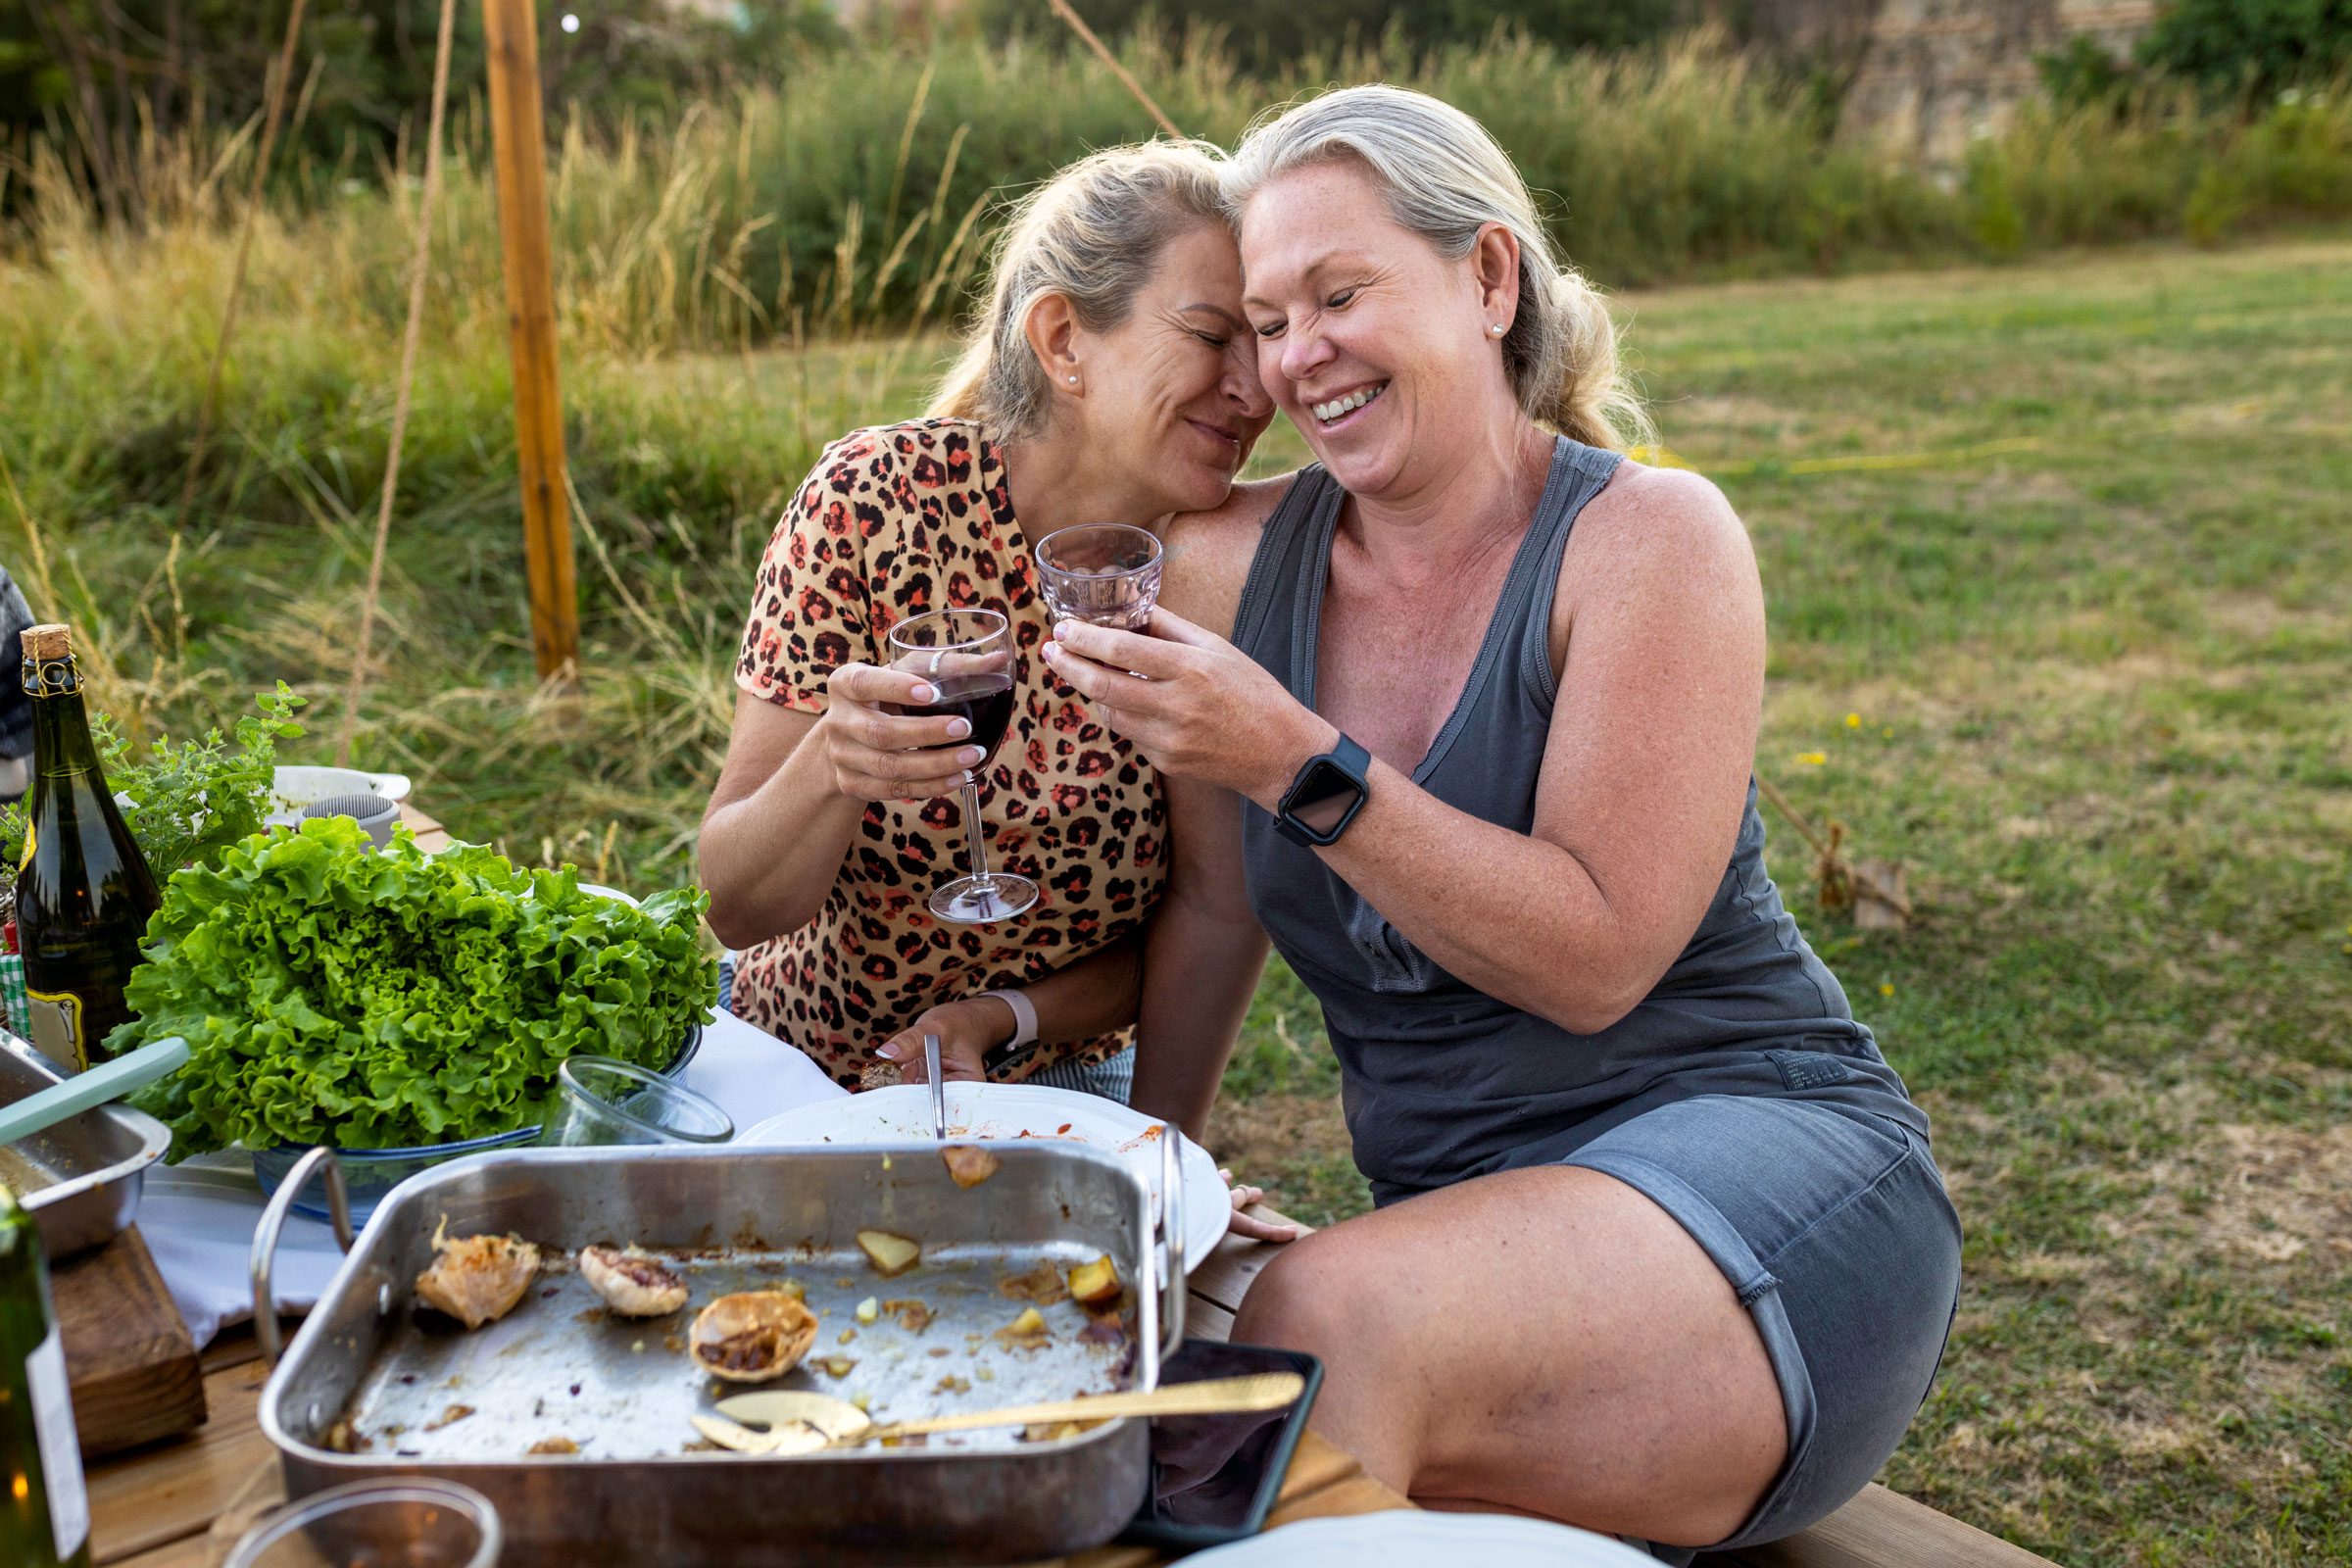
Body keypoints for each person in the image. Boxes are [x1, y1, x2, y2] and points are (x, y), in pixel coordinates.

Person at [1042, 87, 1962, 1559]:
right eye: (1270, 320)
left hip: (1759, 1188)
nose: (1300, 359)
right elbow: (1213, 914)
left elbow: (1595, 957)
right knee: (1134, 1376)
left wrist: (1299, 762)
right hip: (1475, 1246)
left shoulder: (1652, 544)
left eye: (1342, 295)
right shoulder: (1226, 568)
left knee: (1319, 1324)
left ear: (1487, 278)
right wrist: (1151, 1192)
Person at [699, 140, 1276, 1100]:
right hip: (804, 1067)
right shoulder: (872, 503)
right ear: (1062, 340)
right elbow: (735, 905)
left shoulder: (1216, 567)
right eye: (1215, 336)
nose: (1257, 390)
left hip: (1057, 1076)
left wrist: (1003, 1021)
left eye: (1264, 339)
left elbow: (1208, 915)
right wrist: (831, 768)